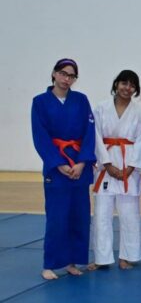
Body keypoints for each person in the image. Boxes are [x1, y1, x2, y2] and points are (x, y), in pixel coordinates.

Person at [31, 58, 96, 280]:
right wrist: (58, 163)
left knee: (79, 217)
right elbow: (40, 136)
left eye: (71, 76)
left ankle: (72, 261)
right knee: (57, 217)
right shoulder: (40, 102)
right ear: (54, 74)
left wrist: (82, 162)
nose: (66, 79)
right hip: (56, 167)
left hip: (79, 165)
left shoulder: (81, 100)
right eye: (63, 73)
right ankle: (50, 264)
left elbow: (89, 132)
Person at [90, 70, 141, 271]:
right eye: (124, 83)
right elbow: (95, 136)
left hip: (128, 165)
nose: (127, 88)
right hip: (105, 164)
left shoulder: (140, 113)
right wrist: (106, 164)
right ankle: (102, 258)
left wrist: (130, 168)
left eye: (132, 85)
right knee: (101, 215)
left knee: (130, 215)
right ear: (116, 84)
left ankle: (128, 256)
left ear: (136, 89)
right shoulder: (101, 108)